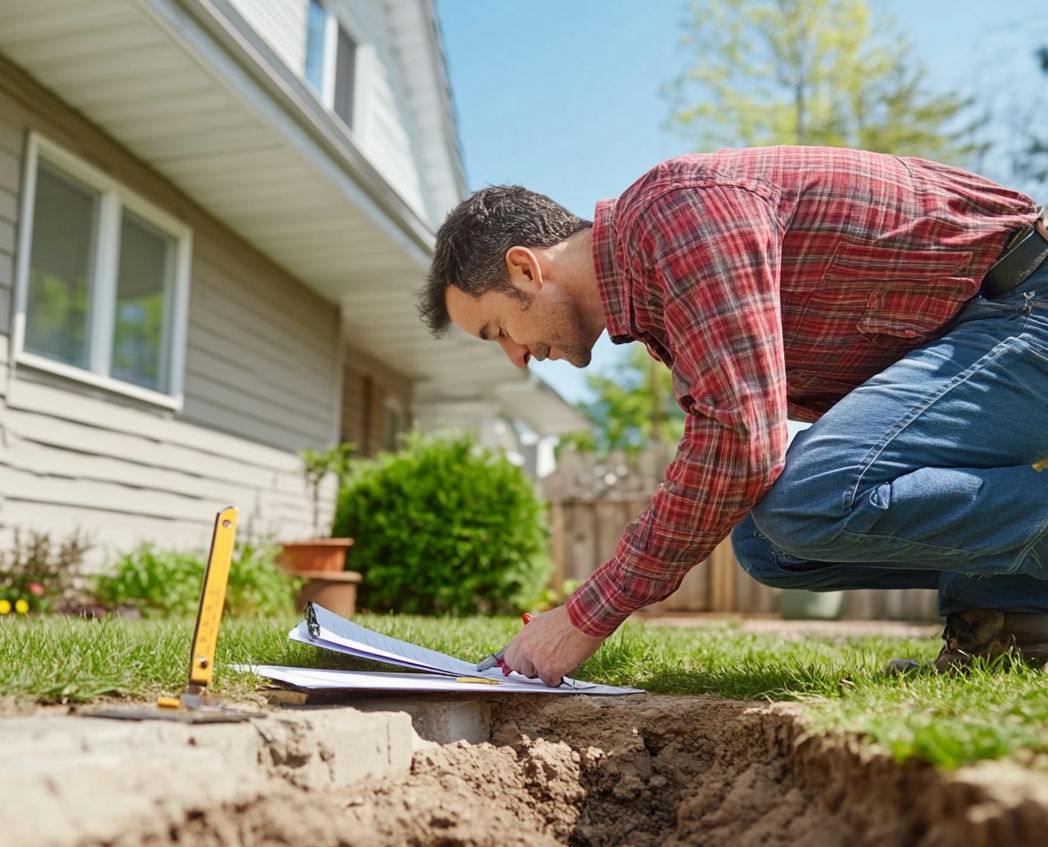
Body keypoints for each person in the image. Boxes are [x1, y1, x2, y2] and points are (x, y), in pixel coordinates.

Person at [417, 146, 1048, 686]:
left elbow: (741, 441)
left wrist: (586, 615)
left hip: (1023, 303)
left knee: (810, 499)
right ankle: (1013, 616)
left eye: (499, 328)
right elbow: (725, 459)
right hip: (982, 335)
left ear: (526, 268)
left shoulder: (677, 212)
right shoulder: (658, 300)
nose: (517, 359)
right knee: (766, 543)